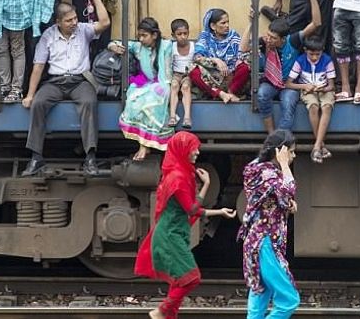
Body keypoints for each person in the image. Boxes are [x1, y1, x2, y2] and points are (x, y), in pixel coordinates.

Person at [134, 131, 236, 319]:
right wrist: (206, 184)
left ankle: (167, 315)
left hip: (173, 233)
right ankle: (160, 312)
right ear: (182, 150)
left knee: (179, 281)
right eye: (193, 148)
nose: (197, 152)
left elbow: (194, 210)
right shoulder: (178, 179)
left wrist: (220, 212)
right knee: (190, 278)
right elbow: (192, 209)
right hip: (169, 235)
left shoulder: (180, 173)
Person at [21, 0, 109, 178]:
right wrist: (30, 95)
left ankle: (90, 157)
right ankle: (36, 157)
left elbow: (104, 23)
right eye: (69, 20)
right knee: (38, 103)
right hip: (55, 82)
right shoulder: (48, 36)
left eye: (75, 18)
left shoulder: (84, 30)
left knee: (89, 102)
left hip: (80, 81)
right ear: (58, 22)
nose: (74, 22)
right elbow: (38, 66)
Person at [239, 131, 300, 319]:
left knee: (260, 294)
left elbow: (277, 198)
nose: (294, 155)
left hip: (258, 241)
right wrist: (284, 164)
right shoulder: (268, 173)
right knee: (289, 300)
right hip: (266, 242)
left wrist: (287, 204)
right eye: (291, 151)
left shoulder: (257, 169)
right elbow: (289, 190)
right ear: (280, 151)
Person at [258, 0, 321, 133]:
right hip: (271, 83)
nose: (269, 39)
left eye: (273, 38)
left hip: (290, 85)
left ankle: (281, 139)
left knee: (288, 105)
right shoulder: (264, 42)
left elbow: (316, 23)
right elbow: (243, 48)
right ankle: (272, 136)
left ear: (283, 39)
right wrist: (250, 23)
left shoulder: (292, 40)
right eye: (268, 35)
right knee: (262, 95)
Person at [112, 17, 174, 161]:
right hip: (145, 82)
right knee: (133, 99)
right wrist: (112, 46)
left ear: (155, 35)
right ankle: (144, 145)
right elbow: (117, 43)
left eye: (144, 35)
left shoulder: (166, 46)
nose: (141, 39)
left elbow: (166, 75)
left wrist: (159, 88)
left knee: (151, 101)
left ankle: (144, 146)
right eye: (139, 35)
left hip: (162, 83)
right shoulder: (138, 46)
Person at [286, 35, 336, 162]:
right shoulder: (300, 61)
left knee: (327, 107)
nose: (314, 57)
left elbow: (331, 86)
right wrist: (305, 86)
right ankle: (320, 145)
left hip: (324, 90)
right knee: (313, 106)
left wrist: (323, 89)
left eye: (317, 54)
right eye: (311, 54)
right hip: (307, 91)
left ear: (322, 51)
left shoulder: (327, 60)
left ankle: (317, 146)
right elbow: (289, 83)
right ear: (305, 50)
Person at [190, 8, 252, 103]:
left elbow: (241, 51)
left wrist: (251, 23)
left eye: (228, 22)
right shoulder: (205, 37)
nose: (227, 25)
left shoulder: (233, 35)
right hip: (212, 78)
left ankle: (231, 92)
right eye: (223, 23)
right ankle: (221, 94)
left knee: (245, 65)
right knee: (193, 70)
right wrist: (215, 60)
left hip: (232, 77)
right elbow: (197, 57)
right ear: (213, 26)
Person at [169, 18, 195, 129]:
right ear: (173, 35)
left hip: (188, 74)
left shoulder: (193, 46)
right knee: (174, 85)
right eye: (179, 34)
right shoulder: (172, 47)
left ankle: (187, 118)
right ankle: (172, 116)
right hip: (176, 74)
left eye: (185, 33)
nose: (183, 36)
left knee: (185, 87)